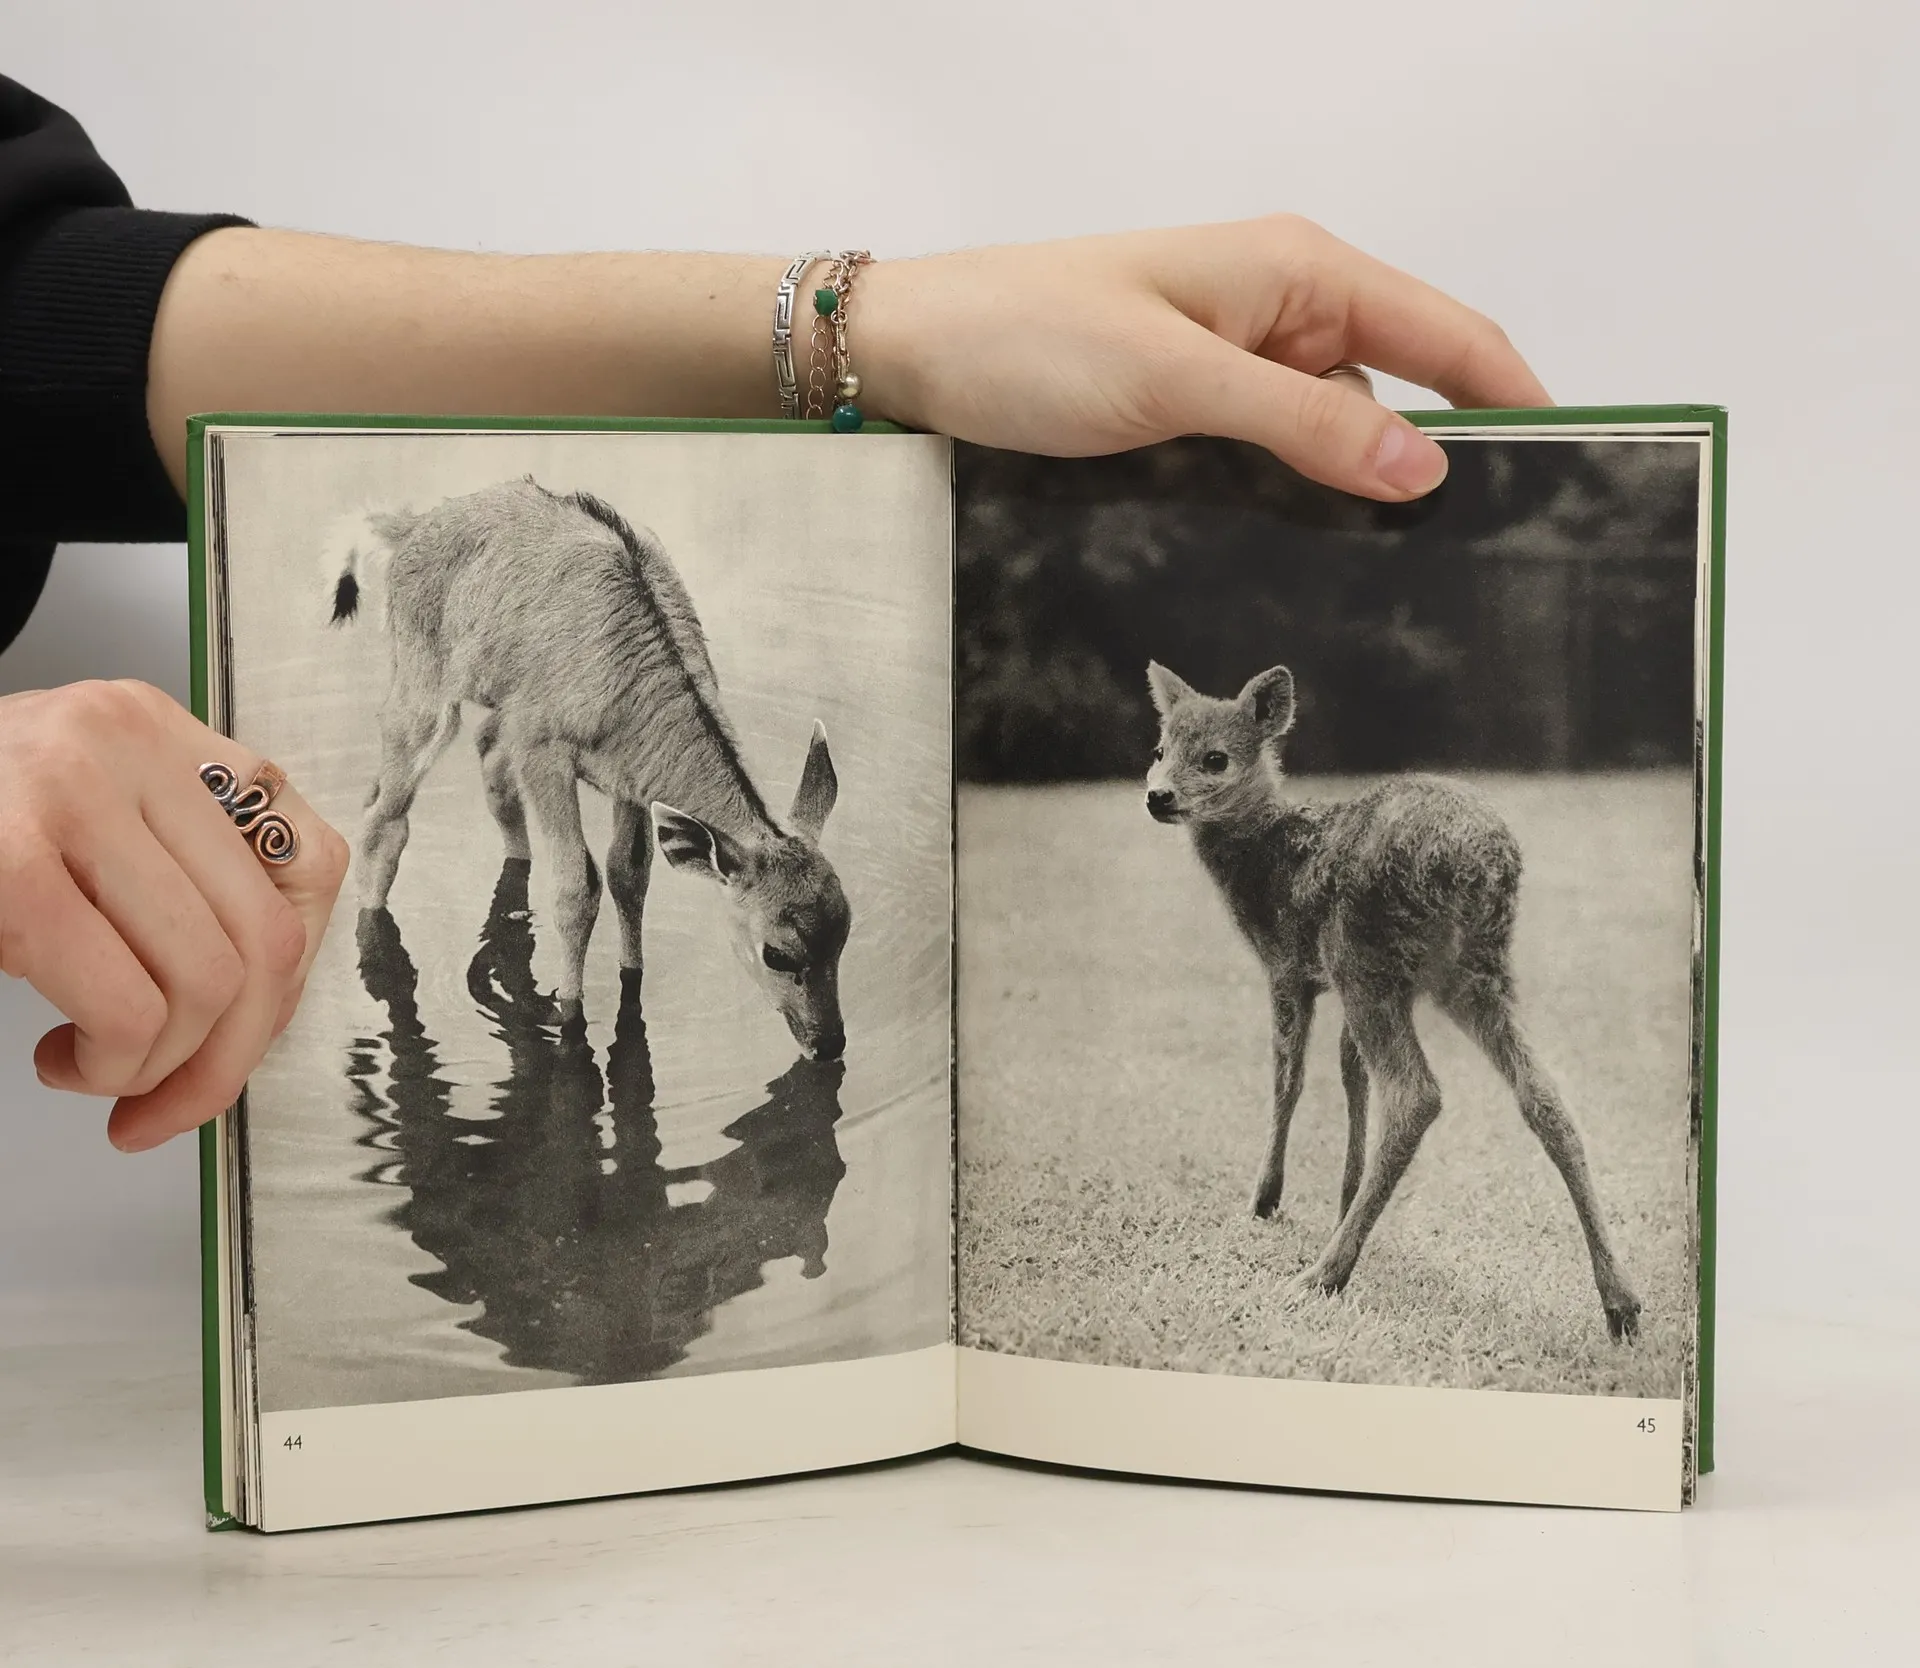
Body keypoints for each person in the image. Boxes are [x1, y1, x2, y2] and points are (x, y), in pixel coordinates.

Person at [0, 74, 1551, 1156]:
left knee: (608, 810)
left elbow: (42, 307)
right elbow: (544, 733)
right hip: (471, 617)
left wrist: (869, 329)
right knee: (419, 782)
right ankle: (420, 947)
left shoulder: (694, 738)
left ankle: (569, 1014)